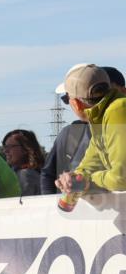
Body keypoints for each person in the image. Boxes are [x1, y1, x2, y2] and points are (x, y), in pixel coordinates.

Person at [41, 66, 122, 194]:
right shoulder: (100, 118)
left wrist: (87, 181)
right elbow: (89, 165)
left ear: (76, 104)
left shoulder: (117, 111)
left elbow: (121, 177)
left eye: (67, 100)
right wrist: (73, 178)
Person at [1, 129, 45, 197]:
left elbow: (21, 205)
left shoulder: (26, 175)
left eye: (10, 147)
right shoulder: (34, 172)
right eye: (5, 147)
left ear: (25, 149)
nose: (5, 151)